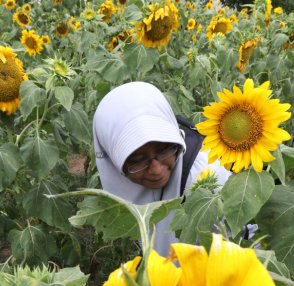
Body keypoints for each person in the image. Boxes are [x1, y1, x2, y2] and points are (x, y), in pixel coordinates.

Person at [92, 81, 230, 256]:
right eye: (138, 160)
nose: (156, 170)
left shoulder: (205, 178)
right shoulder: (122, 184)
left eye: (165, 149)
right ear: (114, 162)